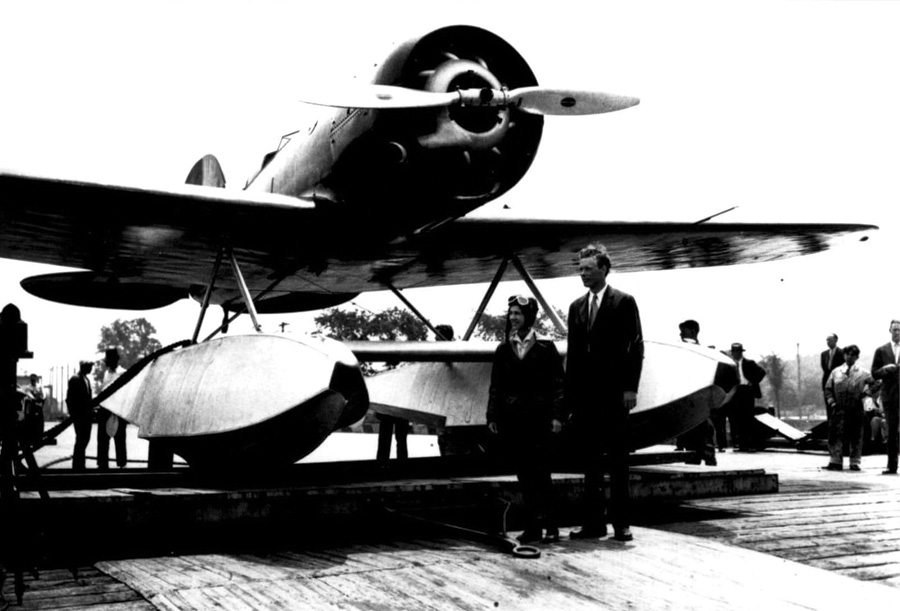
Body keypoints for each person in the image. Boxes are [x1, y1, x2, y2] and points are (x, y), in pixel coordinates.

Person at [564, 243, 643, 543]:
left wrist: (630, 388)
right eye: (580, 269)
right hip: (586, 398)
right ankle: (593, 523)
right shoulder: (576, 307)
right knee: (591, 463)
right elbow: (573, 355)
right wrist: (569, 399)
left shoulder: (624, 302)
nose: (582, 274)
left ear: (604, 269)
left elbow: (636, 346)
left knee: (618, 461)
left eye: (588, 269)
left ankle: (621, 523)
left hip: (614, 395)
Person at [487, 296, 564, 544]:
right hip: (514, 420)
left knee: (541, 473)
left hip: (539, 420)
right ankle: (532, 527)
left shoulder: (545, 347)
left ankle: (551, 525)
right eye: (511, 314)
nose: (513, 318)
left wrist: (557, 415)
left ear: (528, 317)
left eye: (518, 314)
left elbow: (558, 385)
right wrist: (493, 415)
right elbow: (496, 386)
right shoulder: (503, 349)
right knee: (524, 475)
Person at [823, 345, 875, 471]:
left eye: (852, 355)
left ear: (857, 357)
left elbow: (876, 383)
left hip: (856, 407)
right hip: (839, 407)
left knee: (856, 435)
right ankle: (835, 461)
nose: (849, 357)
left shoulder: (863, 373)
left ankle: (855, 462)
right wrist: (832, 403)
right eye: (847, 354)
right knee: (835, 434)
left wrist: (866, 394)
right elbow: (828, 389)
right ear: (844, 355)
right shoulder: (836, 372)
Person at [676, 320, 717, 466]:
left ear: (693, 332)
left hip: (699, 402)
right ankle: (694, 464)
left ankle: (708, 465)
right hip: (686, 402)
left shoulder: (701, 353)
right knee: (691, 442)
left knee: (704, 437)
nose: (680, 334)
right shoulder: (680, 351)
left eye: (684, 331)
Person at [724, 343, 766, 452]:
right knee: (734, 419)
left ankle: (748, 443)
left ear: (741, 353)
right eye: (734, 352)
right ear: (732, 353)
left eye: (738, 352)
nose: (736, 354)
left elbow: (762, 372)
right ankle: (738, 444)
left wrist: (753, 381)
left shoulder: (749, 363)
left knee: (747, 418)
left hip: (746, 391)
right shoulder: (729, 365)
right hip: (734, 392)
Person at [871, 320, 900, 475]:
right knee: (892, 431)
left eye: (899, 330)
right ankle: (892, 465)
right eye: (894, 330)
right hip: (890, 396)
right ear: (890, 330)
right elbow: (874, 372)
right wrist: (884, 369)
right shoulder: (881, 350)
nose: (897, 333)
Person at [96, 348, 126, 470]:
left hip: (118, 410)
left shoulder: (122, 372)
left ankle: (121, 464)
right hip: (105, 410)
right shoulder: (106, 374)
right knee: (103, 440)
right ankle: (102, 465)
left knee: (120, 439)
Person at [66, 361, 94, 471]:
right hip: (80, 415)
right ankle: (77, 466)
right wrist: (73, 414)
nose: (91, 369)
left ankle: (80, 465)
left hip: (87, 415)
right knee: (81, 440)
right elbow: (69, 398)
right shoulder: (75, 379)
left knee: (85, 439)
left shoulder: (86, 380)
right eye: (90, 367)